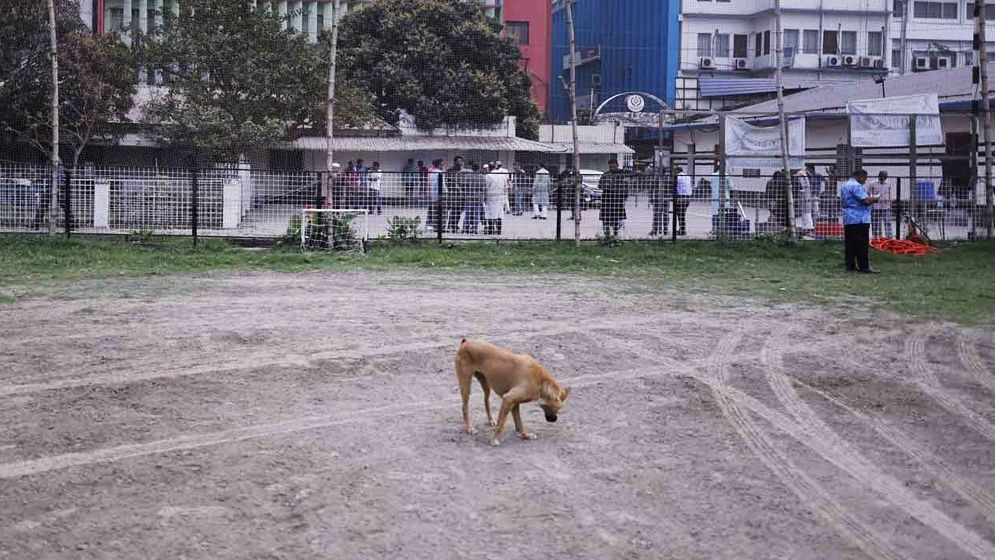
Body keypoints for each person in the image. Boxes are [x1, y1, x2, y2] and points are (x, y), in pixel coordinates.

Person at [841, 169, 880, 273]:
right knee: (861, 244)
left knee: (850, 245)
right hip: (860, 219)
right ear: (860, 176)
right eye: (865, 179)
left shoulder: (845, 185)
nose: (865, 181)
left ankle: (850, 266)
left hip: (849, 218)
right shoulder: (856, 186)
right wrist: (875, 199)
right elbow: (865, 201)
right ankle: (864, 267)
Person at [598, 160, 628, 239]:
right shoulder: (606, 174)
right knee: (606, 219)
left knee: (616, 219)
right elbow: (600, 185)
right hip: (607, 200)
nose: (612, 168)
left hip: (617, 199)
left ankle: (615, 235)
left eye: (614, 166)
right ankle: (607, 236)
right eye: (610, 167)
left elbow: (632, 176)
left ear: (617, 165)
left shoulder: (622, 173)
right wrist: (608, 186)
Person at [865, 170, 893, 238]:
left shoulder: (888, 183)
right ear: (879, 176)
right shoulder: (872, 183)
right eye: (882, 177)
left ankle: (889, 236)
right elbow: (868, 193)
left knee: (888, 222)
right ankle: (876, 236)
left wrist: (890, 202)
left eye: (885, 177)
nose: (883, 179)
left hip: (886, 206)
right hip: (875, 206)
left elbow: (890, 193)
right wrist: (871, 200)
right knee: (876, 223)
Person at [484, 161, 509, 235]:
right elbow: (505, 185)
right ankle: (499, 230)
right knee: (499, 213)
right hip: (500, 196)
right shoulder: (502, 175)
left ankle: (491, 230)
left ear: (489, 168)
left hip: (491, 196)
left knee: (490, 214)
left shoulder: (488, 176)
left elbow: (486, 186)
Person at [462, 162, 487, 234]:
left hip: (469, 196)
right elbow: (484, 188)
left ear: (472, 168)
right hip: (479, 197)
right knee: (477, 213)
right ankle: (474, 229)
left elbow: (464, 185)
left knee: (468, 213)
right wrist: (484, 196)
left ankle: (465, 228)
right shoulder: (482, 177)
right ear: (478, 168)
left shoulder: (468, 176)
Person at [648, 167, 671, 237]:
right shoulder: (668, 178)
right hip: (665, 198)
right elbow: (671, 188)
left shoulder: (656, 178)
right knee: (665, 214)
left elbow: (651, 188)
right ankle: (665, 230)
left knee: (656, 215)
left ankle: (655, 230)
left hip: (658, 198)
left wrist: (651, 197)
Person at [793, 167, 815, 238]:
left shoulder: (800, 176)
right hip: (806, 198)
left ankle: (807, 229)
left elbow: (801, 188)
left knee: (806, 214)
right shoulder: (805, 176)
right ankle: (807, 228)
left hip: (803, 198)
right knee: (807, 213)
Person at [445, 156, 465, 233]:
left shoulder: (462, 171)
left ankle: (455, 224)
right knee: (454, 210)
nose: (460, 163)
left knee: (459, 210)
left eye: (461, 161)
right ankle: (451, 225)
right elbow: (447, 181)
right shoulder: (450, 170)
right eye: (459, 161)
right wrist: (451, 189)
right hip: (453, 193)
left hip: (462, 194)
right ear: (455, 162)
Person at [427, 159, 445, 231]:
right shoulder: (440, 173)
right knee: (442, 212)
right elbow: (442, 185)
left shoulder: (431, 173)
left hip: (434, 194)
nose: (443, 166)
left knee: (435, 211)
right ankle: (441, 227)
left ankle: (435, 226)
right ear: (439, 164)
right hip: (440, 194)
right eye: (442, 164)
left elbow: (432, 184)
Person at [674, 166, 692, 236]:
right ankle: (682, 229)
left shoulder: (678, 177)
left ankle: (682, 230)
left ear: (677, 171)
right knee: (682, 214)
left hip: (680, 196)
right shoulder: (688, 177)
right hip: (688, 197)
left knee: (680, 214)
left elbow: (675, 187)